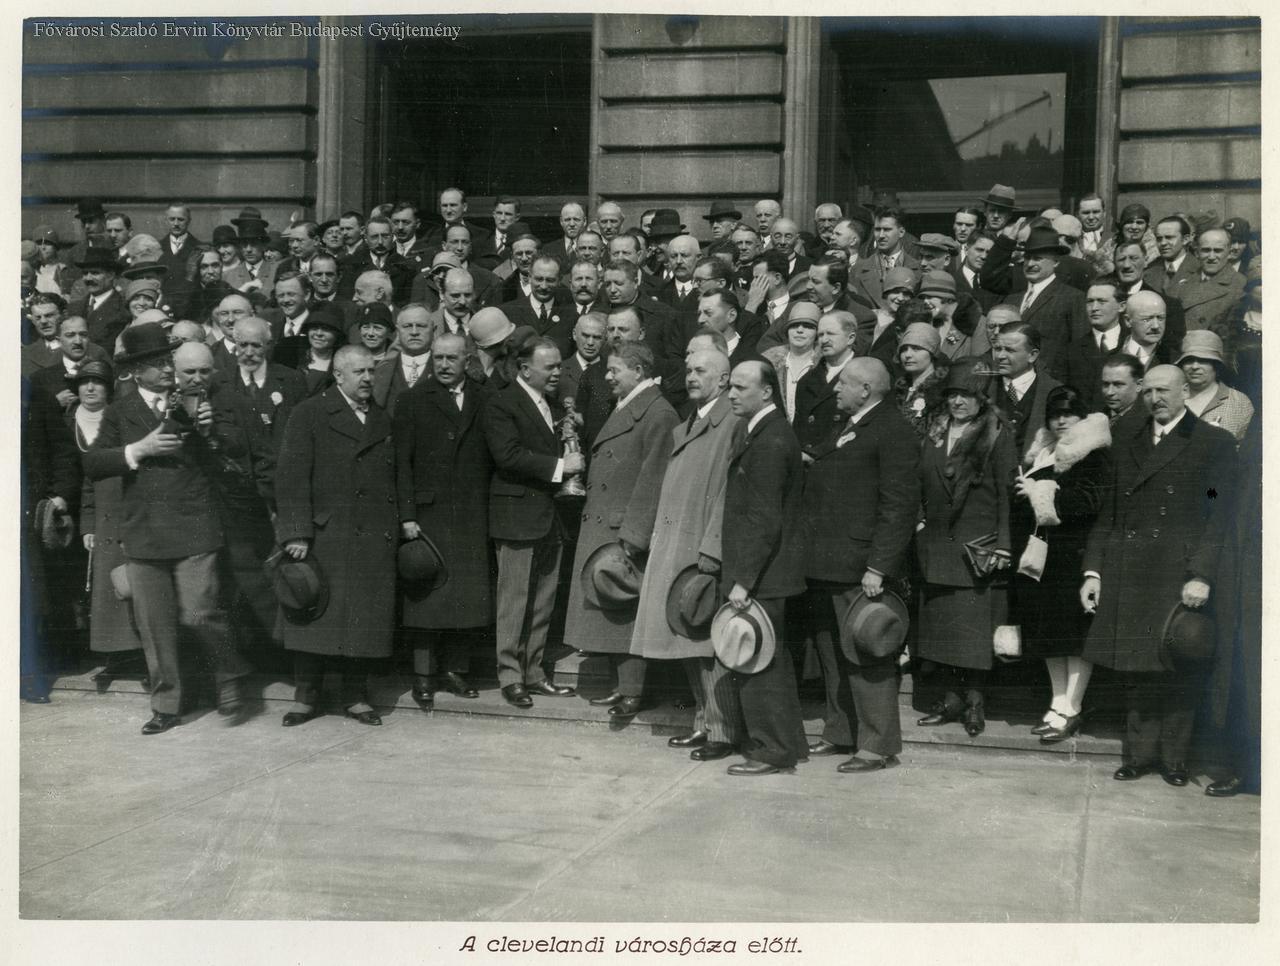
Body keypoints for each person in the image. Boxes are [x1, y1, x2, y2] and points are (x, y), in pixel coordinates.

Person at [83, 325, 252, 734]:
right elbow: (93, 464)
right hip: (144, 531)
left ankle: (229, 675)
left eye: (167, 361)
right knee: (155, 625)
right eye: (155, 363)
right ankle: (166, 704)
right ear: (134, 371)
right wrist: (139, 449)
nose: (165, 369)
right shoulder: (120, 411)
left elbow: (235, 451)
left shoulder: (196, 400)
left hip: (195, 525)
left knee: (199, 612)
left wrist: (210, 433)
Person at [1080, 366, 1237, 786]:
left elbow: (1218, 516)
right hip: (1129, 569)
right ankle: (1139, 755)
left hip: (1177, 571)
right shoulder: (1127, 443)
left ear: (1185, 391)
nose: (1155, 399)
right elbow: (1109, 514)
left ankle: (1174, 760)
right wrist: (1093, 571)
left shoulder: (1213, 442)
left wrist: (1201, 573)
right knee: (1135, 667)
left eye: (1164, 390)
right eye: (1148, 391)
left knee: (1176, 665)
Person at [801, 358, 920, 772]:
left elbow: (899, 506)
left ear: (866, 389)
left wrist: (879, 566)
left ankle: (877, 745)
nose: (835, 389)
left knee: (866, 652)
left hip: (860, 566)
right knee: (833, 654)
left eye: (843, 383)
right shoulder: (850, 424)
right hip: (826, 563)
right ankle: (841, 731)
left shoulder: (893, 430)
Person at [274, 345, 400, 727]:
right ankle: (306, 697)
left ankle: (355, 696)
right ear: (338, 375)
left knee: (361, 619)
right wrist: (297, 532)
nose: (367, 378)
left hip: (371, 535)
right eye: (359, 372)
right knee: (313, 614)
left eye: (371, 371)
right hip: (325, 534)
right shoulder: (309, 413)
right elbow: (291, 476)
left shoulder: (381, 417)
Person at [630, 349, 744, 760]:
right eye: (689, 370)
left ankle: (723, 730)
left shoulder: (731, 423)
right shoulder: (691, 421)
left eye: (701, 371)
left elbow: (730, 494)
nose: (691, 377)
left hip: (700, 551)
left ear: (724, 379)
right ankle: (704, 721)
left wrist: (712, 548)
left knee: (705, 643)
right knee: (688, 640)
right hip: (677, 547)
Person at [564, 342, 679, 717]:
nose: (608, 377)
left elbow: (653, 480)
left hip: (623, 532)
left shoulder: (658, 413)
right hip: (608, 526)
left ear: (639, 371)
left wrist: (634, 536)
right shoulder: (631, 405)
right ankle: (623, 687)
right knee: (612, 612)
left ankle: (633, 691)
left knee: (626, 611)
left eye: (615, 370)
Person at [915, 356, 1016, 737]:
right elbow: (919, 481)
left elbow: (1006, 495)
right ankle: (950, 699)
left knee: (973, 634)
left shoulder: (996, 434)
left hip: (977, 550)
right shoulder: (934, 430)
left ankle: (974, 701)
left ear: (983, 397)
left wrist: (1003, 545)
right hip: (936, 546)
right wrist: (919, 521)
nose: (958, 401)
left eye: (968, 395)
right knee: (943, 630)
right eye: (953, 394)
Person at [717, 360, 808, 775]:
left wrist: (743, 581)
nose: (732, 394)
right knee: (771, 662)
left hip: (763, 575)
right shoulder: (763, 431)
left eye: (741, 387)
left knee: (758, 663)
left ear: (767, 391)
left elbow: (764, 519)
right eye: (731, 387)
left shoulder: (770, 440)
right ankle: (787, 745)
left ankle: (771, 750)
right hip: (768, 573)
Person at [394, 332, 495, 709]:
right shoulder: (412, 400)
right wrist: (407, 515)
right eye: (438, 358)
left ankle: (456, 670)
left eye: (452, 358)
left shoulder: (484, 398)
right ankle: (423, 674)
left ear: (468, 360)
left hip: (471, 513)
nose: (444, 365)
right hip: (428, 515)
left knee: (465, 596)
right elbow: (402, 464)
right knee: (426, 596)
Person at [483, 338, 582, 708]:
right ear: (525, 369)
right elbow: (507, 456)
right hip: (517, 516)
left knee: (543, 601)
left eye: (559, 366)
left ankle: (535, 673)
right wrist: (561, 467)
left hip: (550, 517)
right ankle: (510, 676)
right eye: (550, 367)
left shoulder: (553, 405)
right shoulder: (501, 402)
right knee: (514, 601)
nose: (557, 373)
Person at [1010, 385, 1111, 742]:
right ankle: (1057, 703)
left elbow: (1088, 502)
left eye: (1069, 414)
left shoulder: (1093, 453)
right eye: (1055, 415)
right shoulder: (1045, 452)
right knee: (1049, 634)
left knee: (1074, 636)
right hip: (1044, 556)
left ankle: (1073, 706)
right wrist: (1026, 493)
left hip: (1073, 555)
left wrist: (1038, 491)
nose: (1061, 421)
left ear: (1082, 417)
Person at [71, 359, 148, 687]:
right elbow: (89, 481)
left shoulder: (126, 424)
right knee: (107, 594)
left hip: (130, 516)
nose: (91, 388)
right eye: (85, 382)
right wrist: (88, 524)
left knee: (135, 589)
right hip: (103, 521)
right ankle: (115, 657)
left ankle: (146, 659)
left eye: (98, 383)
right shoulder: (90, 430)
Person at [991, 322, 1062, 457]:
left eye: (1010, 350)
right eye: (998, 349)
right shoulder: (983, 389)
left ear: (1032, 355)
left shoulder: (1055, 392)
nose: (1000, 356)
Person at [1177, 331, 1254, 441]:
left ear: (1216, 365)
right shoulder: (1171, 398)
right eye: (1188, 360)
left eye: (1203, 360)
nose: (1194, 366)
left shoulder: (1239, 403)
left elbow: (1247, 448)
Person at [761, 302, 820, 422]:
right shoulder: (768, 362)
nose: (799, 330)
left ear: (817, 333)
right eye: (794, 325)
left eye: (807, 326)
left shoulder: (824, 364)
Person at [894, 321, 948, 438]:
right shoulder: (898, 389)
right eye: (904, 349)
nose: (908, 355)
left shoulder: (942, 391)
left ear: (931, 353)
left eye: (916, 349)